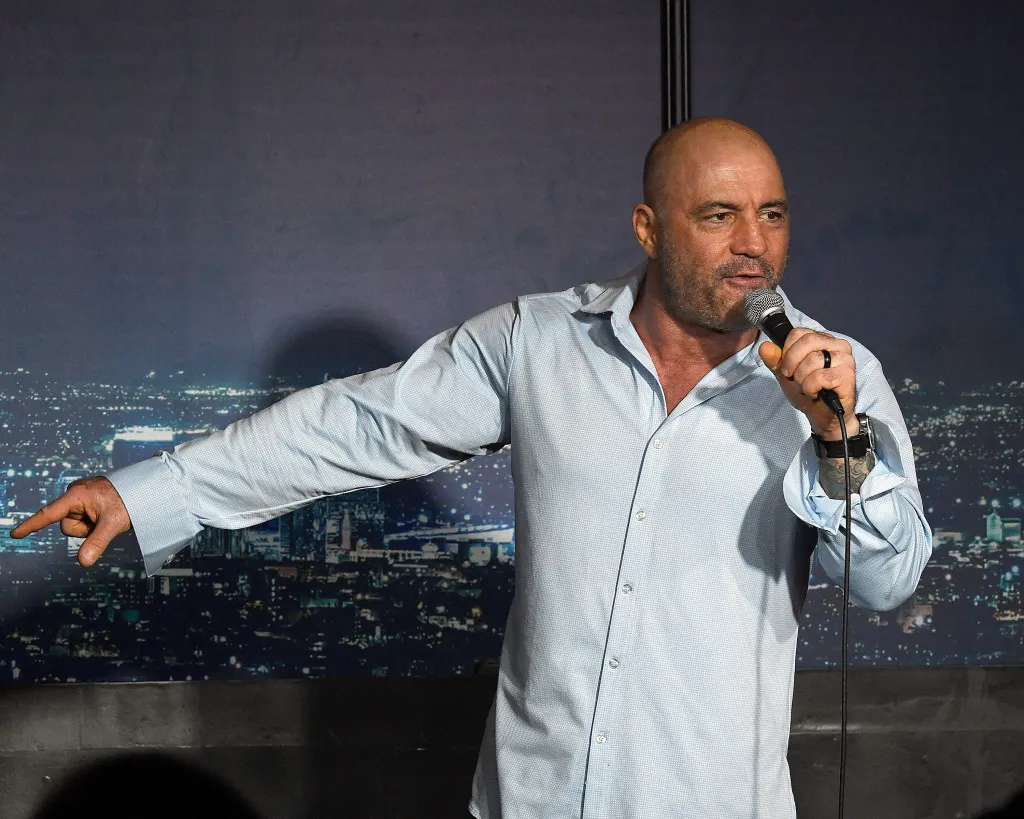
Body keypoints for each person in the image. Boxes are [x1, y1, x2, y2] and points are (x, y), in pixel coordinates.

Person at [12, 117, 932, 818]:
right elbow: (356, 423)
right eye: (719, 215)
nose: (754, 245)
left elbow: (890, 581)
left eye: (771, 214)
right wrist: (149, 491)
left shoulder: (835, 377)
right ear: (649, 229)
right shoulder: (537, 342)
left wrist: (834, 442)